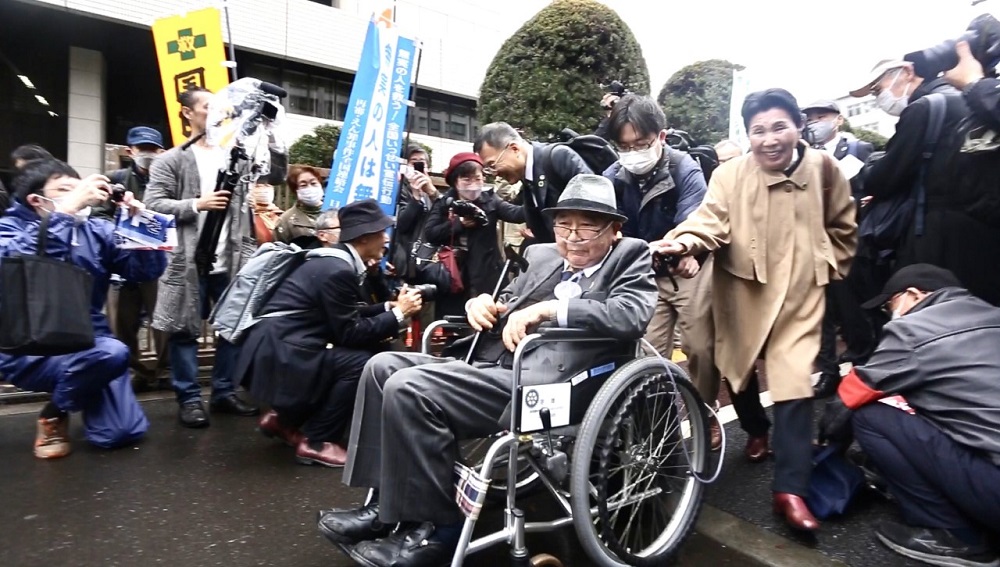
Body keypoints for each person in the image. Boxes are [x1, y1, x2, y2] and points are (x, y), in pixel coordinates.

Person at [317, 174, 656, 566]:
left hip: (559, 386)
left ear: (614, 230)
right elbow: (508, 304)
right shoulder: (545, 255)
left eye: (588, 225)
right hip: (501, 365)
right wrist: (483, 304)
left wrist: (549, 309)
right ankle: (386, 506)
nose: (573, 236)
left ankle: (437, 535)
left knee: (412, 387)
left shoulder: (631, 255)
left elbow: (631, 315)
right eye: (564, 224)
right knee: (381, 366)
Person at [654, 88, 857, 532]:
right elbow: (709, 220)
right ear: (748, 135)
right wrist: (684, 241)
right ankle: (755, 429)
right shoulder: (730, 175)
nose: (769, 139)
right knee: (738, 369)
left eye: (779, 126)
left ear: (798, 127)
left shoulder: (826, 169)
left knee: (793, 384)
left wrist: (825, 265)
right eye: (758, 130)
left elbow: (845, 227)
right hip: (741, 289)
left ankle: (792, 489)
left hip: (800, 295)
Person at [819, 264, 1000, 567]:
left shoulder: (913, 330)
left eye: (891, 305)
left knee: (870, 416)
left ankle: (955, 536)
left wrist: (829, 445)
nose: (891, 315)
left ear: (914, 295)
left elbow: (852, 393)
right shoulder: (992, 315)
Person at [0, 159, 166, 458]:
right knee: (113, 352)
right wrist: (63, 214)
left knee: (120, 432)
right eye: (65, 190)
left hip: (89, 346)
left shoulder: (96, 230)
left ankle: (69, 391)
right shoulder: (9, 228)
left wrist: (138, 227)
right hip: (28, 347)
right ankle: (55, 414)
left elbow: (142, 272)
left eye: (80, 189)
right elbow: (18, 262)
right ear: (36, 200)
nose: (80, 197)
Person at [236, 203, 424, 467]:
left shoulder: (332, 260)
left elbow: (343, 313)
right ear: (363, 237)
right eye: (382, 231)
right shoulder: (338, 270)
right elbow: (350, 332)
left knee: (350, 357)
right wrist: (399, 314)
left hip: (276, 348)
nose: (387, 237)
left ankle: (284, 420)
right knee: (361, 363)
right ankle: (317, 441)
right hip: (282, 356)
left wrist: (386, 308)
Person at [600, 94, 718, 447]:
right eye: (625, 146)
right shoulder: (612, 177)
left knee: (701, 347)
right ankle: (658, 427)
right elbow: (607, 227)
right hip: (643, 273)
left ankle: (706, 411)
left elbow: (694, 220)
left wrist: (686, 248)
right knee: (648, 352)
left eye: (642, 144)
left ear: (661, 137)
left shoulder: (685, 167)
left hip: (685, 268)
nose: (634, 153)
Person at [146, 86, 261, 428]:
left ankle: (224, 393)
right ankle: (190, 399)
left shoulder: (234, 155)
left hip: (231, 257)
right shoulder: (171, 159)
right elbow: (154, 204)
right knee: (185, 331)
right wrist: (197, 204)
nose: (216, 112)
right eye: (207, 106)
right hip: (188, 260)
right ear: (187, 112)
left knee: (233, 328)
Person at [850, 58, 1000, 307]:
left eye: (878, 89)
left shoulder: (924, 107)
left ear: (907, 72)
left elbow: (885, 178)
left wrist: (871, 172)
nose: (879, 98)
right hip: (981, 227)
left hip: (937, 235)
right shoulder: (967, 100)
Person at [801, 100, 878, 397]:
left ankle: (863, 367)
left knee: (851, 309)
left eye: (822, 116)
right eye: (811, 117)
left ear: (838, 120)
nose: (815, 122)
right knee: (820, 313)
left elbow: (871, 191)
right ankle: (829, 372)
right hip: (811, 244)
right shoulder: (804, 155)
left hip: (849, 244)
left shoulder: (858, 149)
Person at [96, 126, 169, 392]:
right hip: (123, 264)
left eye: (152, 149)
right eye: (142, 149)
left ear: (161, 152)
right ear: (130, 151)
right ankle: (135, 371)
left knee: (163, 322)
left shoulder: (167, 181)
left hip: (158, 262)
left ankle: (163, 371)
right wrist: (122, 220)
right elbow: (98, 216)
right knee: (123, 325)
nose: (147, 154)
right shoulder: (115, 180)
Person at [423, 152, 524, 317]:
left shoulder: (490, 200)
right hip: (453, 277)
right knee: (454, 326)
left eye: (477, 179)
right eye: (466, 179)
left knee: (491, 321)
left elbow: (516, 214)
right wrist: (458, 224)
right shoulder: (444, 203)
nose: (473, 185)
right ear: (455, 181)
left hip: (487, 274)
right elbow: (431, 233)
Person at [474, 121, 593, 243]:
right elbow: (522, 214)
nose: (494, 174)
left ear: (514, 149)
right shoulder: (527, 178)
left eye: (492, 165)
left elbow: (596, 205)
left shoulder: (558, 157)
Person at [389, 145, 439, 277]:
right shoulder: (399, 189)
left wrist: (432, 192)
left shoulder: (431, 191)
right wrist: (416, 197)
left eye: (422, 163)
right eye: (414, 162)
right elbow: (402, 224)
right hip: (404, 257)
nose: (418, 166)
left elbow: (443, 212)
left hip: (426, 256)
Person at [274, 165, 324, 248]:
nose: (310, 188)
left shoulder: (336, 212)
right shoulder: (286, 220)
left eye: (313, 183)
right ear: (296, 191)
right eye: (303, 185)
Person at [249, 171, 284, 244]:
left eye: (267, 185)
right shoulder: (247, 216)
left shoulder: (280, 215)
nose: (263, 190)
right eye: (258, 186)